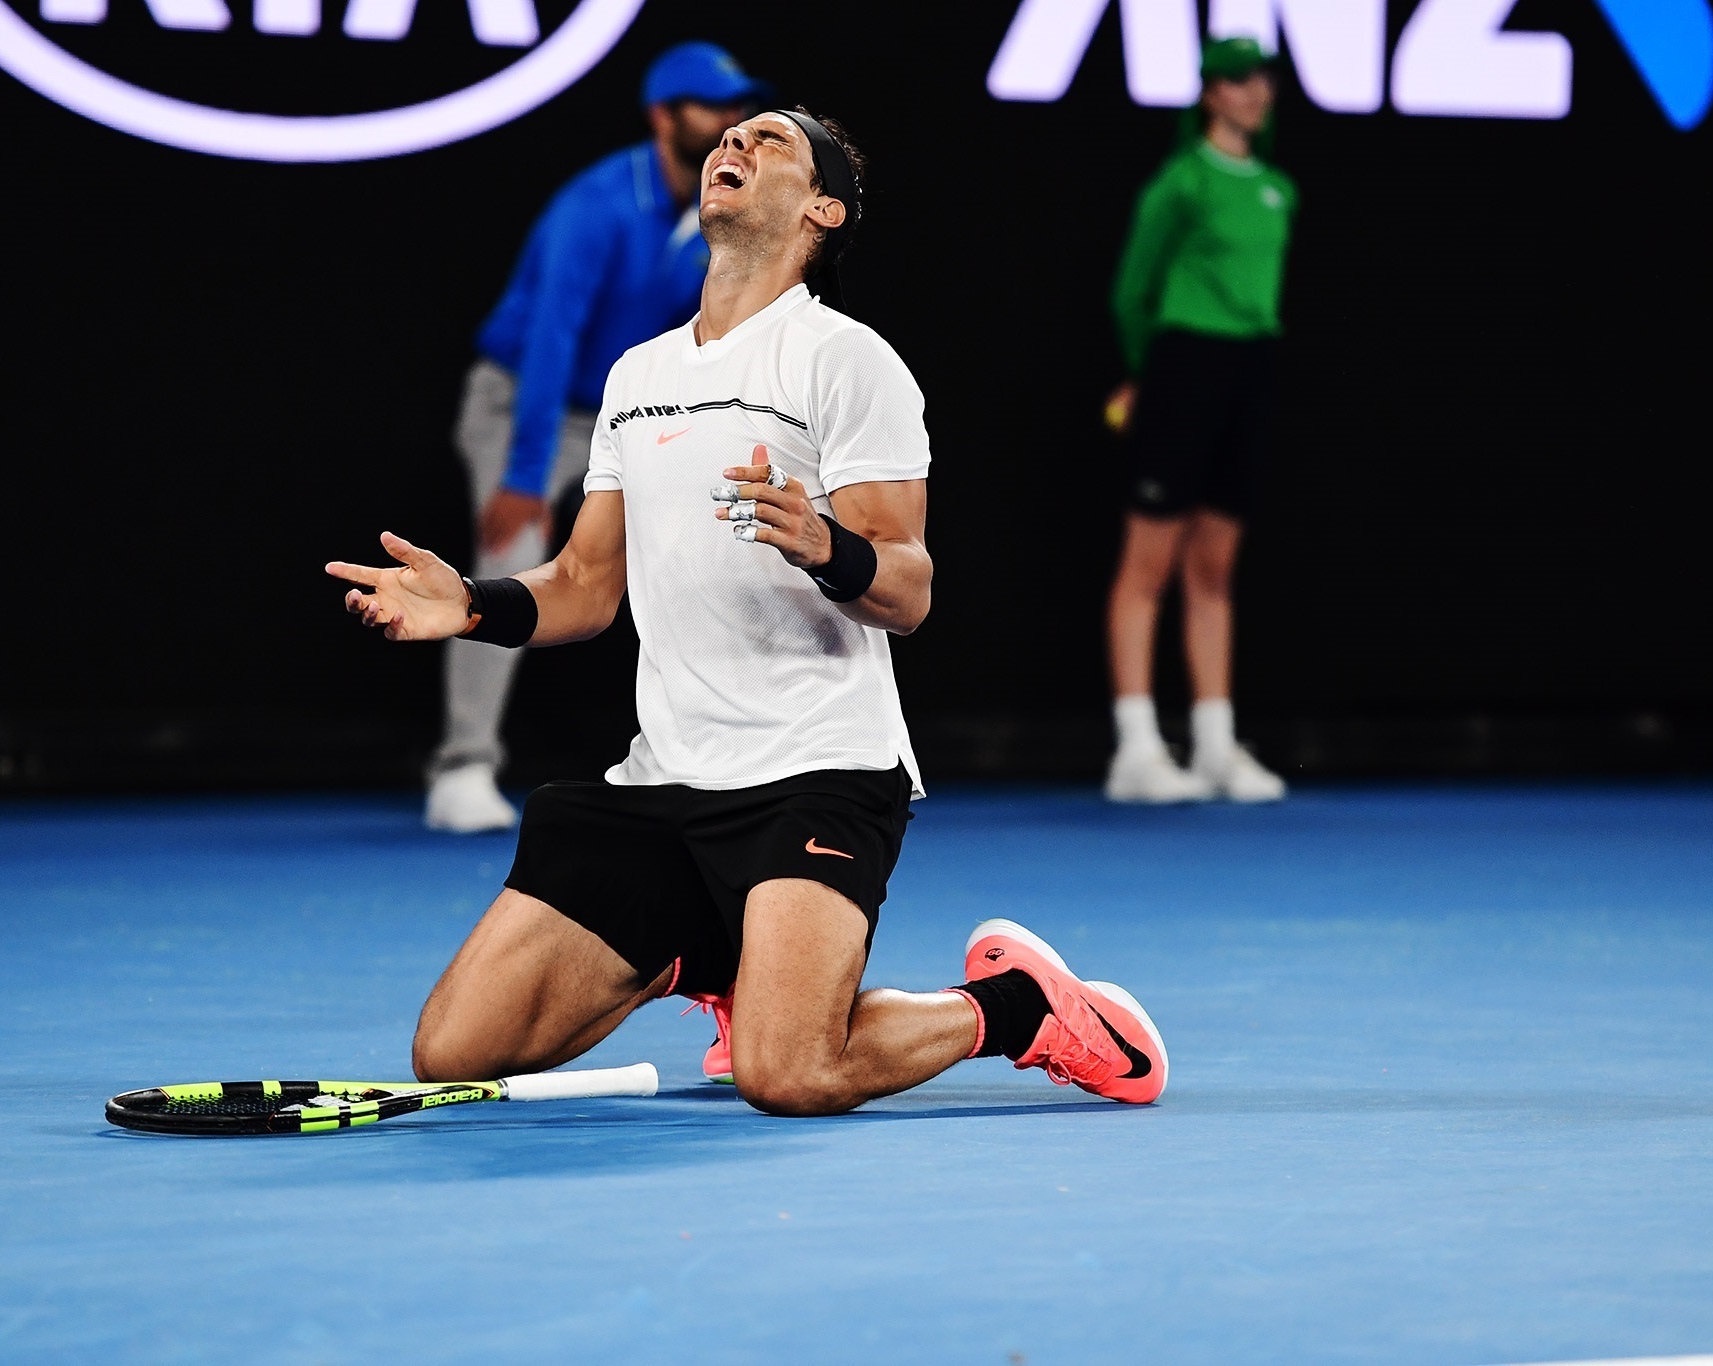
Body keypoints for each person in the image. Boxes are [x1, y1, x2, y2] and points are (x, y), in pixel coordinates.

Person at [328, 110, 1169, 1113]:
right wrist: (471, 604)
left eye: (769, 141)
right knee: (457, 1049)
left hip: (811, 776)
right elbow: (587, 587)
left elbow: (908, 590)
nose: (734, 146)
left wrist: (826, 546)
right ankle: (714, 956)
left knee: (790, 1072)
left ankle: (1016, 1007)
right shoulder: (636, 376)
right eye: (729, 137)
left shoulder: (843, 361)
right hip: (665, 781)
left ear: (821, 209)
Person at [426, 42, 769, 834]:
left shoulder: (720, 210)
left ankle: (713, 762)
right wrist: (524, 475)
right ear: (663, 117)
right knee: (510, 562)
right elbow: (553, 340)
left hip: (626, 407)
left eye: (736, 108)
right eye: (711, 109)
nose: (730, 124)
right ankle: (463, 766)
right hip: (522, 405)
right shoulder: (596, 205)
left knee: (716, 543)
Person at [1102, 36, 1295, 803]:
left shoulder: (1280, 187)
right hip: (1182, 366)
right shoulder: (1179, 183)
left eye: (1262, 80)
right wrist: (1147, 375)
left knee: (1214, 568)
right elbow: (1129, 292)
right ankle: (1137, 747)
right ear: (1211, 93)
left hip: (1252, 370)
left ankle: (1215, 743)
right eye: (1238, 80)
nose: (1255, 92)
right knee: (1147, 565)